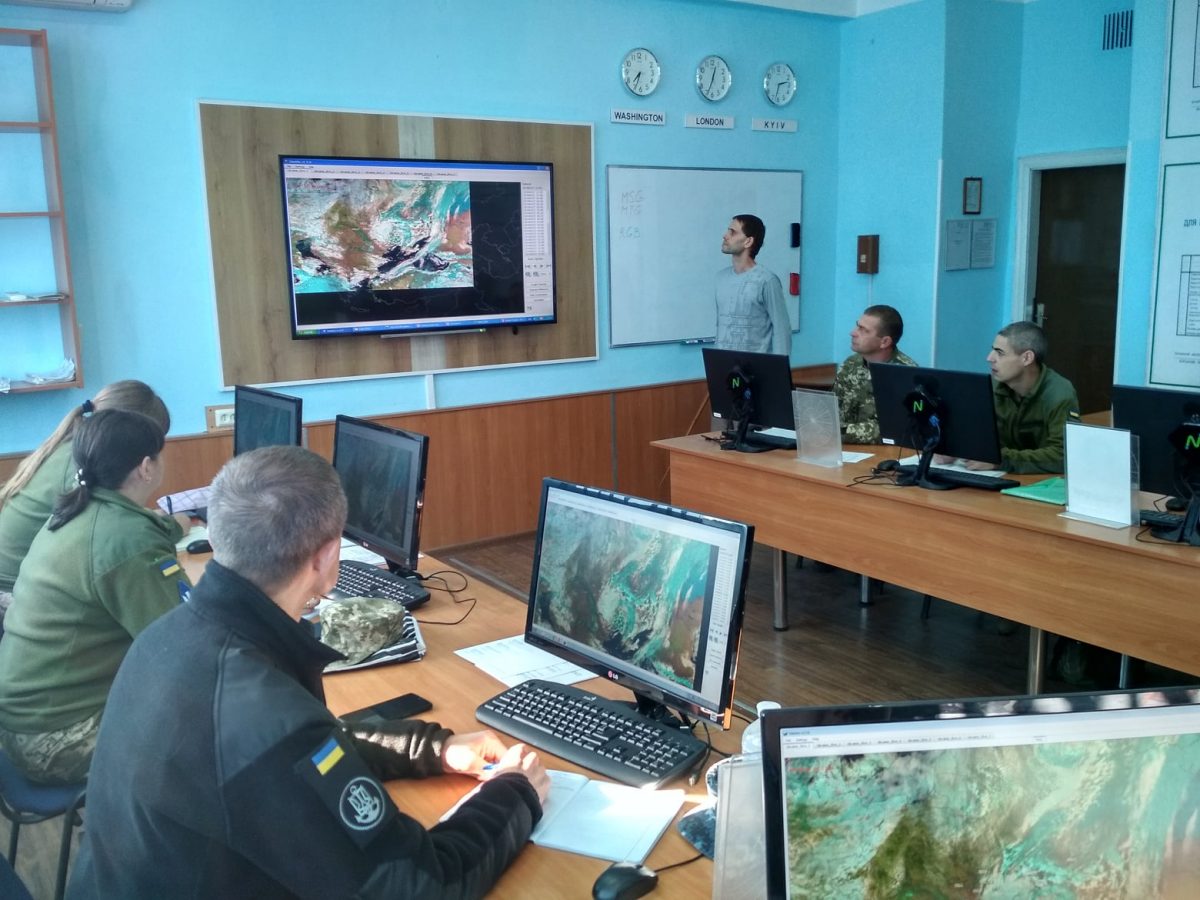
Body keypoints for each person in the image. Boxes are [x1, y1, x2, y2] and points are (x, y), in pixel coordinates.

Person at [69, 446, 549, 898]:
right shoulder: (261, 713)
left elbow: (300, 753)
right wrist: (516, 792)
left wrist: (430, 749)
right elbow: (418, 886)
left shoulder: (168, 636)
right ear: (327, 557)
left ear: (215, 536)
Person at [0, 409, 189, 784]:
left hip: (25, 722)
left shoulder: (75, 511)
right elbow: (185, 643)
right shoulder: (127, 541)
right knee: (213, 732)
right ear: (146, 467)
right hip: (56, 740)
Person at [0, 380, 170, 623]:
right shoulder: (83, 464)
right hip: (14, 596)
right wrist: (170, 526)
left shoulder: (78, 448)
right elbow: (112, 537)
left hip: (26, 584)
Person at [985, 321, 1080, 474]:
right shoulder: (992, 386)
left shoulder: (1059, 393)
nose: (989, 358)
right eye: (992, 350)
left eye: (1000, 353)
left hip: (1040, 481)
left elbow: (1063, 456)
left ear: (1027, 358)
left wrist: (1000, 460)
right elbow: (974, 432)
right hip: (1000, 476)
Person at [833, 305, 917, 444]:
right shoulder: (851, 363)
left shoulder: (906, 374)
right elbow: (835, 407)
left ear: (885, 342)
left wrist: (838, 432)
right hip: (843, 446)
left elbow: (893, 428)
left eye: (863, 330)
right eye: (857, 326)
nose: (853, 333)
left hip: (885, 451)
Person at [714, 214, 791, 355]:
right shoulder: (721, 278)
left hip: (757, 365)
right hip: (725, 364)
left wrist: (779, 367)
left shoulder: (767, 280)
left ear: (748, 241)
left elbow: (782, 330)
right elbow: (722, 327)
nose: (725, 236)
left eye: (733, 232)